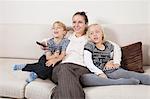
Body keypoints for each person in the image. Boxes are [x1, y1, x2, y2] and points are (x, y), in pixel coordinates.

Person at [81, 23, 150, 86]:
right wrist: (99, 73)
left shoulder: (108, 44)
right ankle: (120, 82)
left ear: (102, 34)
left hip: (111, 70)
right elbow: (88, 62)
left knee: (136, 75)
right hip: (97, 73)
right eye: (91, 33)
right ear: (89, 37)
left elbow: (117, 49)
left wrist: (116, 62)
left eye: (97, 32)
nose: (95, 34)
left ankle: (116, 80)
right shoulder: (89, 45)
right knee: (84, 78)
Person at [50, 12, 90, 99]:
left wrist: (113, 61)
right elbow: (52, 39)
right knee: (64, 69)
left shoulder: (90, 37)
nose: (76, 25)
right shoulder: (67, 36)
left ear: (86, 24)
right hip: (60, 68)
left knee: (62, 86)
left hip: (81, 68)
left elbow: (112, 45)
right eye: (74, 22)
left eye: (80, 22)